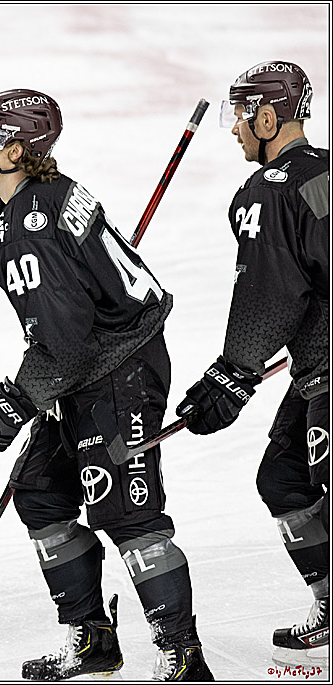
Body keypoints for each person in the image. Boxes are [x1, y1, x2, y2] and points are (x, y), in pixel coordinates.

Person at [0, 90, 213, 680]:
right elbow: (70, 324)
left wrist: (13, 399)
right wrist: (30, 389)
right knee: (42, 491)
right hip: (87, 364)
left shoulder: (29, 225)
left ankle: (183, 654)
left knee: (130, 514)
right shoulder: (41, 199)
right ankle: (92, 639)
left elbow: (66, 342)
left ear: (15, 151)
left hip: (118, 369)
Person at [176, 60, 329, 668]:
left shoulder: (268, 191)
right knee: (284, 478)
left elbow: (272, 292)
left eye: (240, 117)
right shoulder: (321, 174)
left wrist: (232, 371)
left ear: (267, 117)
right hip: (318, 366)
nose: (236, 130)